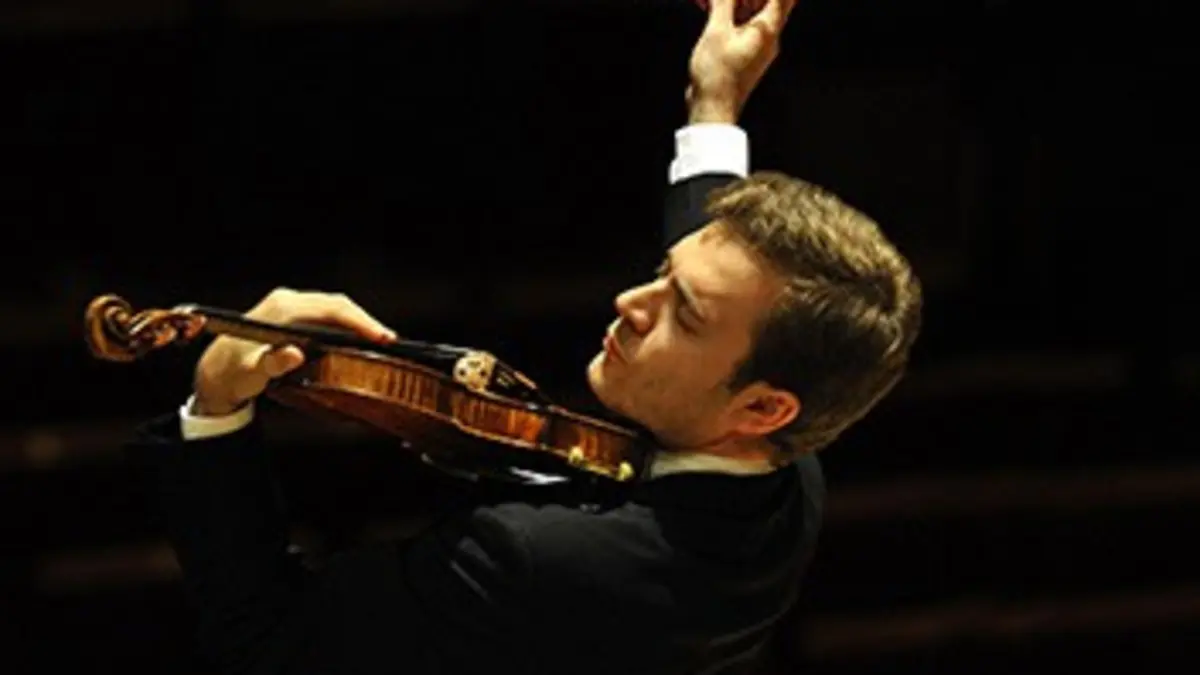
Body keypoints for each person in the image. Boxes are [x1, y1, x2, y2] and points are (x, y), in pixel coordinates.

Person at [125, 1, 922, 673]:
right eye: (661, 273)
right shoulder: (788, 468)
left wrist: (215, 409)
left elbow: (268, 638)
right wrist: (713, 104)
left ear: (761, 407)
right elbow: (721, 264)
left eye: (683, 314)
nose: (629, 302)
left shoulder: (539, 561)